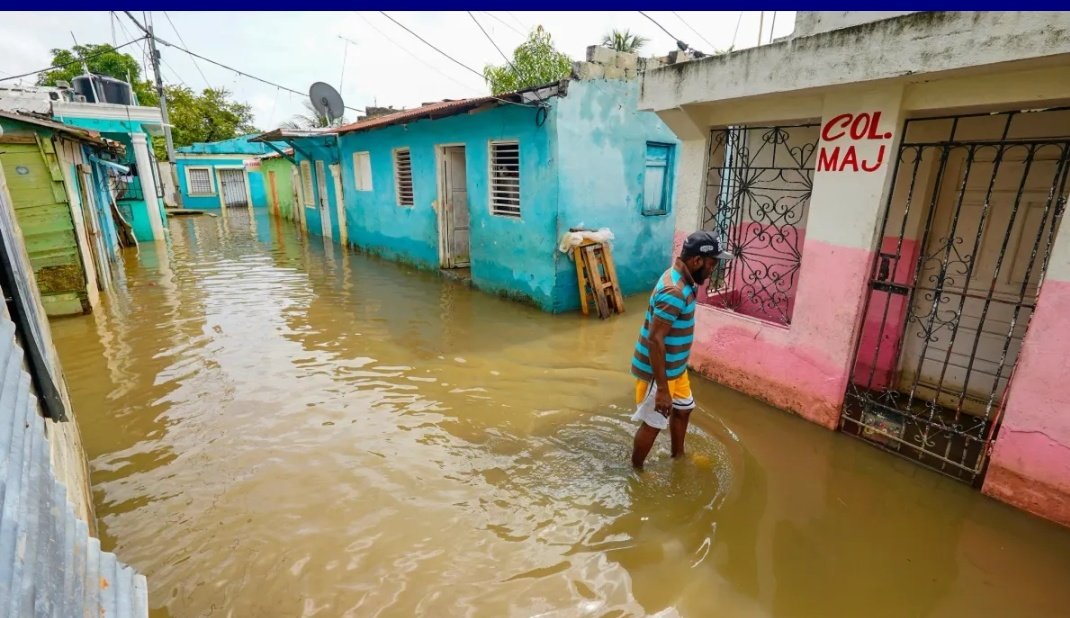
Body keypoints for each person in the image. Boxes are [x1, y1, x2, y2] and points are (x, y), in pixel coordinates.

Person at [630, 231, 732, 469]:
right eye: (712, 263)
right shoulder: (675, 291)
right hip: (660, 373)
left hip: (675, 368)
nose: (713, 270)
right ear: (697, 261)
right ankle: (636, 471)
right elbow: (655, 340)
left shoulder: (685, 280)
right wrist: (663, 389)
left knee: (685, 409)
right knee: (654, 423)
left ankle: (678, 457)